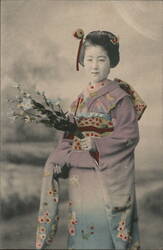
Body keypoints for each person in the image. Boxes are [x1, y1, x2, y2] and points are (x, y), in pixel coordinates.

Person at [36, 29, 147, 250]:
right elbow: (67, 136)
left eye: (101, 59)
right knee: (81, 226)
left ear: (112, 62)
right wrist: (59, 158)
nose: (95, 65)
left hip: (105, 175)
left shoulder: (120, 98)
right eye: (89, 59)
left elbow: (129, 135)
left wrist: (97, 144)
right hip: (80, 177)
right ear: (82, 62)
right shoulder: (78, 100)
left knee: (103, 231)